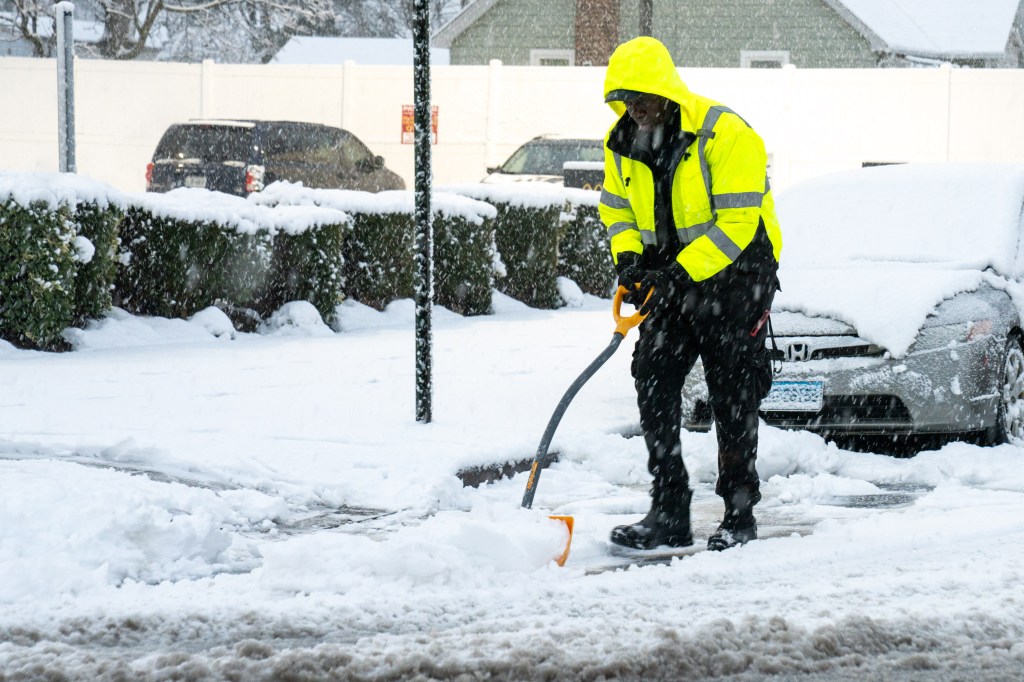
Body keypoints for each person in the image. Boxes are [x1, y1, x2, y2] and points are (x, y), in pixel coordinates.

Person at [598, 37, 783, 552]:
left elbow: (737, 226)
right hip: (670, 279)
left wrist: (678, 274)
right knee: (653, 377)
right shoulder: (624, 143)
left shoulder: (725, 135)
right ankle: (669, 509)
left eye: (644, 99)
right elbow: (615, 210)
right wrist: (630, 260)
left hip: (737, 276)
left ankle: (739, 511)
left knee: (733, 388)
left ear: (667, 92)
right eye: (627, 101)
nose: (636, 110)